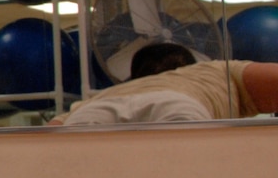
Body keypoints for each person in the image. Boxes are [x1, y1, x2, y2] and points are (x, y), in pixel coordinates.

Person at [56, 41, 278, 124]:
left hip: (95, 112)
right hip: (174, 105)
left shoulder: (113, 92)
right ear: (192, 63)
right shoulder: (211, 71)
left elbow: (44, 136)